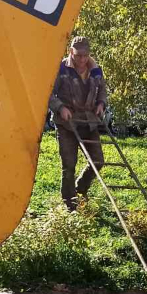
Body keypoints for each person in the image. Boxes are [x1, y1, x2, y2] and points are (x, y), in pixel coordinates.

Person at [49, 36, 108, 210]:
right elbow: (48, 93)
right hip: (67, 123)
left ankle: (80, 189)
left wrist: (101, 104)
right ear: (71, 52)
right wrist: (60, 108)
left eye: (85, 55)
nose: (82, 59)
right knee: (69, 165)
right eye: (78, 55)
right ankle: (70, 204)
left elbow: (103, 90)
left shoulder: (96, 71)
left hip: (89, 122)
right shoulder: (60, 69)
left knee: (97, 161)